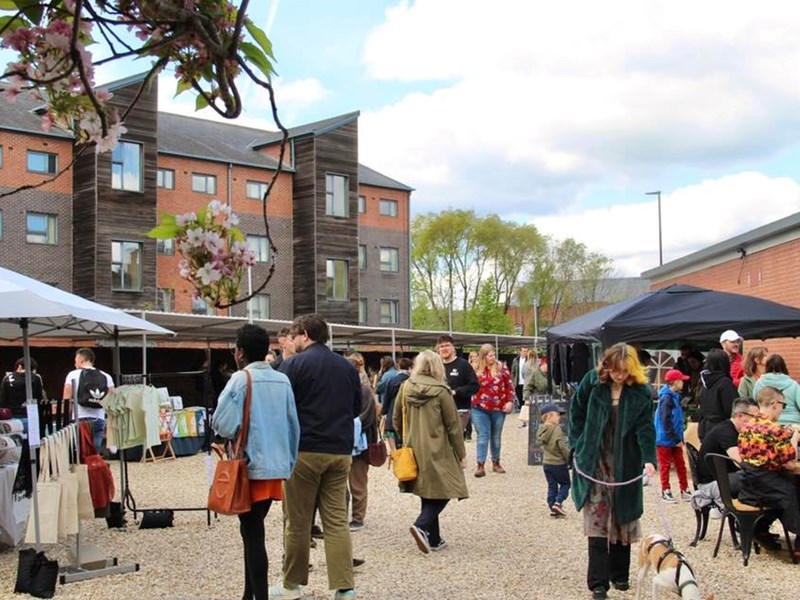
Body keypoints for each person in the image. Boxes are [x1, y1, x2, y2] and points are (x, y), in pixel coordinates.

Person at [270, 314, 361, 600]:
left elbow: (281, 406)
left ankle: (291, 585)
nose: (292, 341)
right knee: (336, 521)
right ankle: (344, 587)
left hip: (304, 450)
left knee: (297, 521)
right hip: (340, 450)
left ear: (305, 334)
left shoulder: (293, 364)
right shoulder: (347, 367)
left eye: (294, 336)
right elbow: (357, 406)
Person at [212, 324, 300, 600]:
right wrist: (289, 462)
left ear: (240, 352)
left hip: (250, 465)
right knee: (251, 528)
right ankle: (248, 593)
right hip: (276, 465)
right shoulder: (281, 380)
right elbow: (293, 426)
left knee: (252, 533)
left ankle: (257, 595)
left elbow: (223, 423)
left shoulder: (240, 379)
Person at [569, 343, 656, 600]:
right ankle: (598, 582)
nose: (619, 375)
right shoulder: (592, 382)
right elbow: (576, 412)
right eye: (615, 370)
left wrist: (649, 459)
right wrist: (575, 443)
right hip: (594, 459)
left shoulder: (640, 392)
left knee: (623, 515)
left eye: (624, 371)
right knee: (597, 519)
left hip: (625, 461)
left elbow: (645, 428)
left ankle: (620, 575)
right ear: (606, 366)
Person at [392, 350, 468, 554]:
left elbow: (396, 418)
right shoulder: (442, 391)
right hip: (438, 446)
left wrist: (405, 438)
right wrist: (461, 453)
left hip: (413, 446)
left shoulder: (406, 386)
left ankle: (434, 538)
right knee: (450, 487)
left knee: (428, 489)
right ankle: (421, 525)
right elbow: (453, 425)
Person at [737, 385, 800, 559]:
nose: (782, 410)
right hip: (769, 486)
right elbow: (790, 462)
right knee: (795, 489)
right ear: (774, 404)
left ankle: (761, 530)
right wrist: (794, 436)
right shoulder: (773, 429)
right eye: (783, 405)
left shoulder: (747, 427)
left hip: (749, 486)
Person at [697, 398, 759, 495]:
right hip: (713, 484)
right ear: (740, 416)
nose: (757, 421)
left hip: (725, 478)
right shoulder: (725, 432)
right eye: (755, 417)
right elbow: (739, 462)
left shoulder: (735, 430)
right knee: (762, 482)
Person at [471, 343, 515, 477]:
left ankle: (496, 462)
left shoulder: (502, 368)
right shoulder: (475, 369)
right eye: (490, 355)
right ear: (483, 356)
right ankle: (480, 464)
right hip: (479, 407)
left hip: (498, 407)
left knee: (496, 437)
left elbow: (509, 386)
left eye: (494, 355)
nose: (493, 357)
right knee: (483, 435)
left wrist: (510, 401)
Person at [346, 353, 378, 531]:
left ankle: (358, 516)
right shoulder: (341, 389)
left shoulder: (364, 390)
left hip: (360, 443)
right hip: (344, 441)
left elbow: (367, 417)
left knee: (357, 482)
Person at [63, 348, 114, 454]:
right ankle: (94, 468)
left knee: (81, 452)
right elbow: (113, 399)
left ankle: (83, 468)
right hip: (98, 417)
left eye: (76, 360)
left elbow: (66, 398)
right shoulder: (106, 376)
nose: (74, 363)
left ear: (81, 360)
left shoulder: (72, 375)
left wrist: (66, 417)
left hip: (79, 417)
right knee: (94, 452)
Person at [654, 369, 690, 503]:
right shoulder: (667, 398)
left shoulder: (675, 396)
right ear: (675, 382)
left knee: (681, 464)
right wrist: (676, 438)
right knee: (665, 466)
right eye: (681, 380)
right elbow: (665, 420)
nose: (683, 383)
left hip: (674, 438)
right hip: (665, 439)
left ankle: (684, 489)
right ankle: (665, 490)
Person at [436, 335, 479, 442]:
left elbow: (474, 386)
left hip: (459, 410)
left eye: (447, 345)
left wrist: (456, 391)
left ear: (453, 347)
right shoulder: (436, 366)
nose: (444, 349)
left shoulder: (463, 365)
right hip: (438, 410)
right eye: (441, 346)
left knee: (454, 443)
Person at [536, 402, 570, 517]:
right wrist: (569, 458)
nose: (559, 417)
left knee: (552, 485)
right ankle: (558, 503)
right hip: (559, 463)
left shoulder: (541, 429)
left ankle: (552, 506)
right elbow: (562, 446)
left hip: (547, 463)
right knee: (566, 484)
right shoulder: (557, 429)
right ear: (549, 416)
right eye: (557, 415)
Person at [697, 349, 738, 442]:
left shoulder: (704, 383)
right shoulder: (725, 383)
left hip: (704, 428)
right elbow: (732, 409)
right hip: (721, 430)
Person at [752, 353, 800, 426]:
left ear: (766, 367)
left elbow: (755, 402)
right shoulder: (793, 384)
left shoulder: (759, 383)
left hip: (767, 424)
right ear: (784, 367)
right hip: (792, 423)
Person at [381, 357, 412, 455]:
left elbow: (387, 396)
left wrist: (384, 411)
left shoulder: (392, 380)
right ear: (410, 368)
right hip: (407, 410)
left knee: (390, 431)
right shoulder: (411, 381)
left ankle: (393, 451)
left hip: (392, 409)